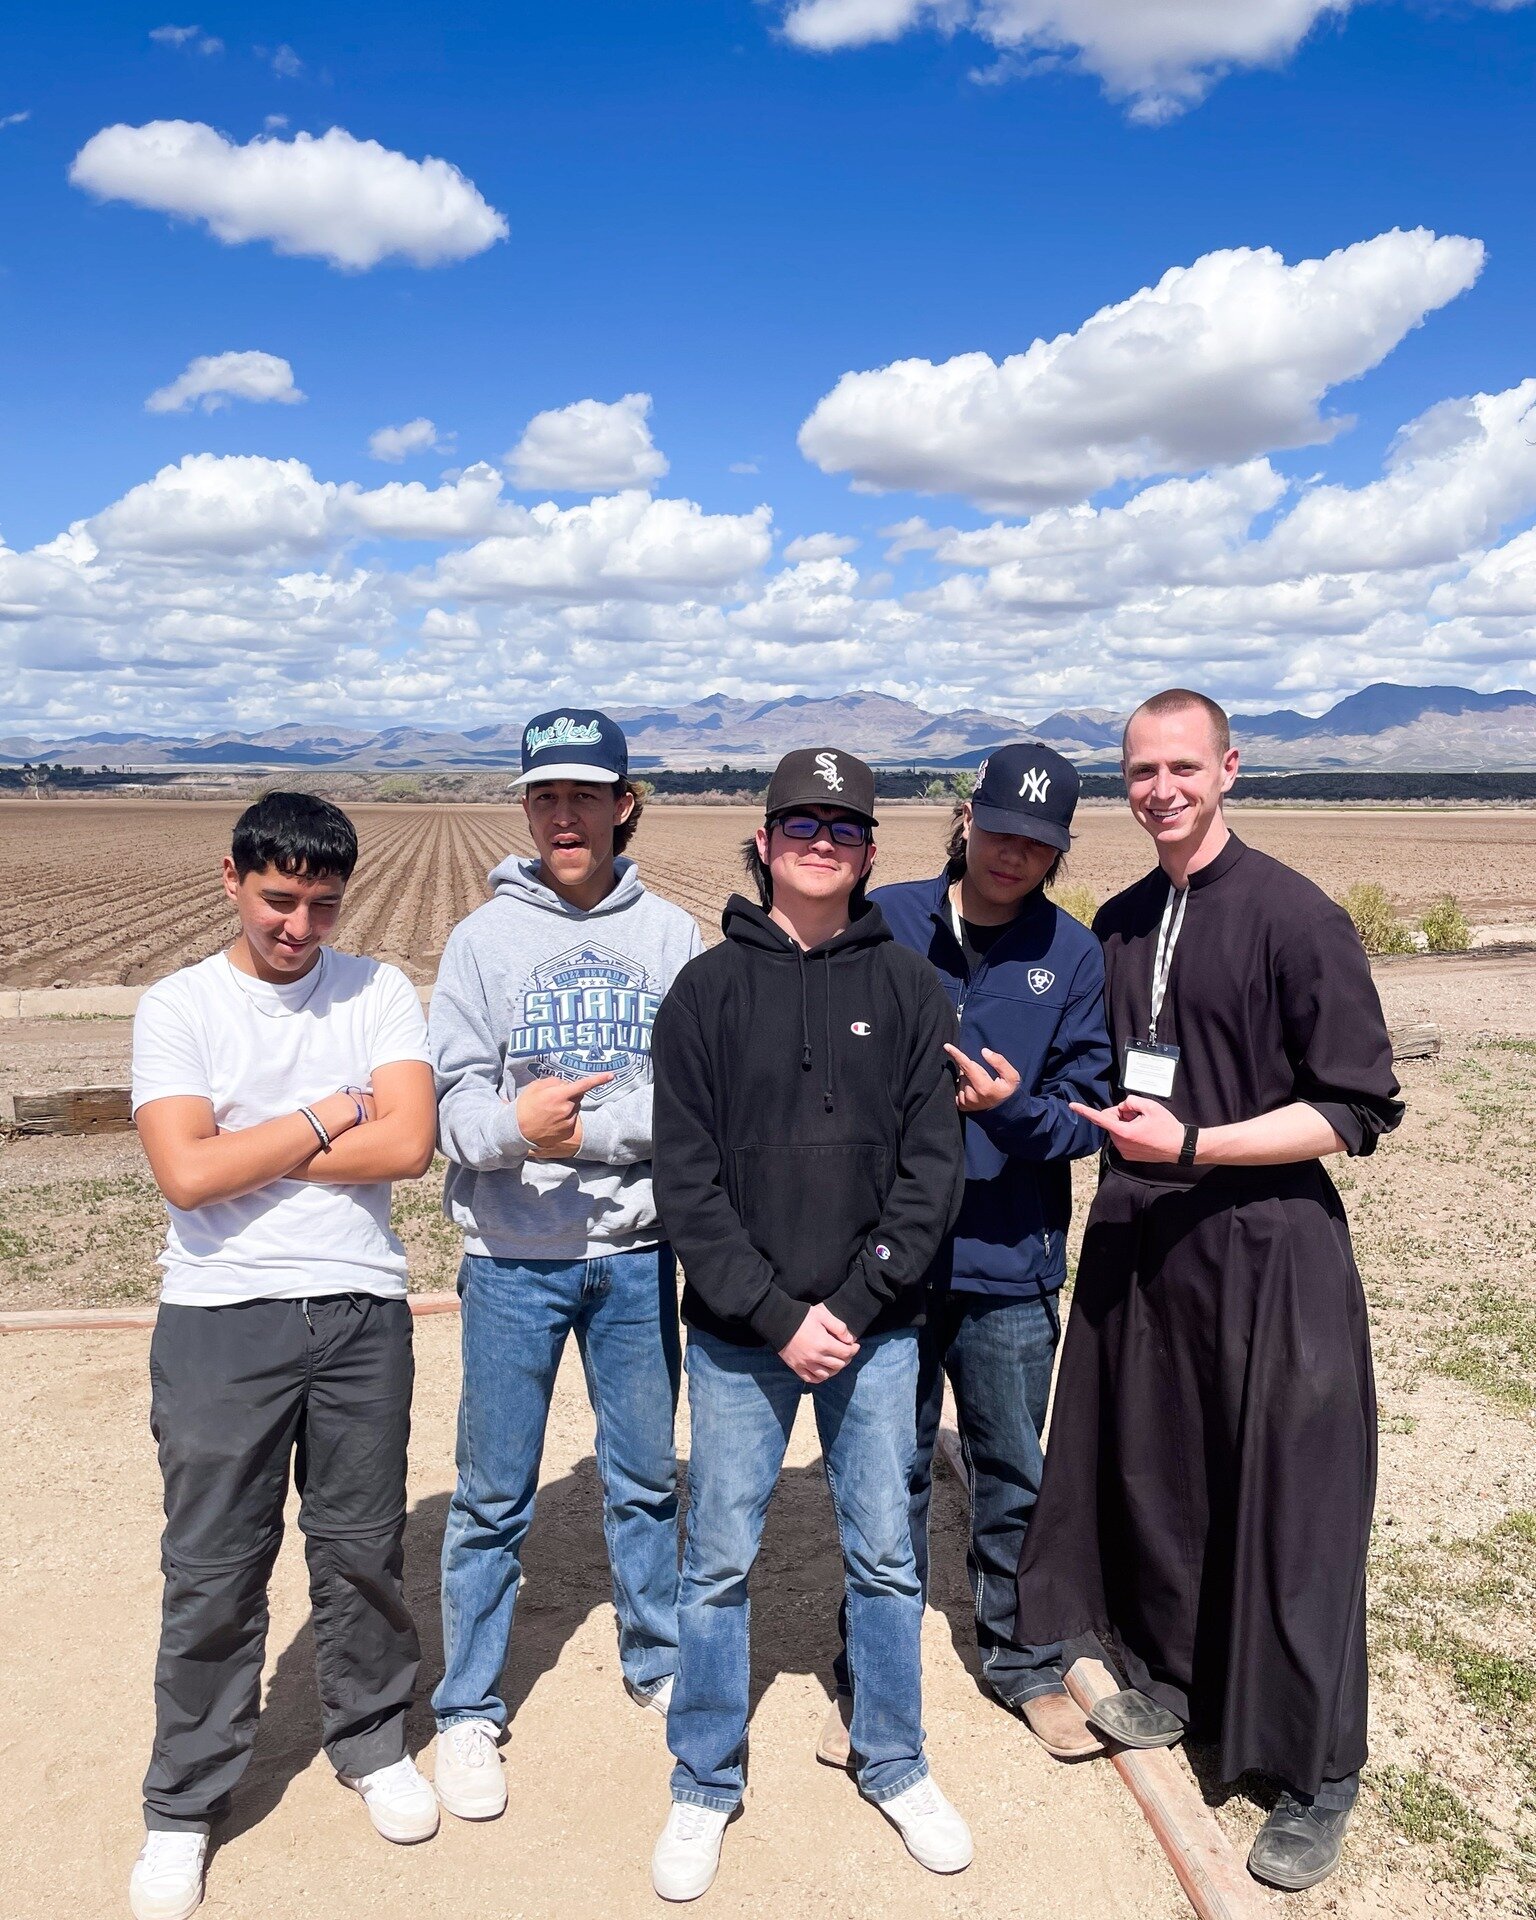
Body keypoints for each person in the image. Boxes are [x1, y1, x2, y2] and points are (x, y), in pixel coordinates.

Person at [1013, 689, 1404, 1893]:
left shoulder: (1298, 919)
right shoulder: (1124, 921)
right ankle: (1176, 1679)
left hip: (1270, 1248)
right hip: (1151, 1246)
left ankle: (1314, 1773)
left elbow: (1354, 1109)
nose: (1163, 788)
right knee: (1161, 1475)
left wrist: (1196, 1147)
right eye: (1142, 771)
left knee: (1293, 1512)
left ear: (1229, 768)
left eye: (1184, 766)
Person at [648, 748, 969, 1903]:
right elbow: (685, 1185)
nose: (821, 840)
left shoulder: (908, 988)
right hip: (744, 1340)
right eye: (801, 822)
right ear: (765, 837)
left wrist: (856, 1301)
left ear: (873, 851)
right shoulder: (704, 993)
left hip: (874, 1335)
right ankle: (703, 1779)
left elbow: (933, 1170)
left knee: (886, 1559)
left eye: (844, 825)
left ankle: (895, 1760)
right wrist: (782, 1315)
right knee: (717, 1563)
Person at [127, 792, 440, 1920]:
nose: (297, 927)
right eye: (276, 900)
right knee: (213, 1566)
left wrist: (241, 1141)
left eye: (319, 904)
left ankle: (368, 1741)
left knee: (362, 1549)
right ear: (230, 880)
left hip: (360, 1312)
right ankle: (184, 1804)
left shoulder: (381, 991)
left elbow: (405, 1143)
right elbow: (185, 1176)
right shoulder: (178, 1006)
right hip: (221, 1317)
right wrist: (322, 1119)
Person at [428, 708, 702, 1821]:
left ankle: (660, 1659)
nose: (564, 814)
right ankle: (466, 1710)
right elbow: (452, 1101)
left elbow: (688, 1101)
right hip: (509, 1258)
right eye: (546, 796)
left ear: (624, 804)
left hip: (635, 1256)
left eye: (586, 795)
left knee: (645, 1478)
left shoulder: (673, 938)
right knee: (492, 1495)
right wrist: (513, 1128)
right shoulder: (479, 943)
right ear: (527, 806)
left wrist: (576, 1134)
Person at [821, 744, 1112, 1769]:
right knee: (881, 1474)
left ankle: (1023, 1661)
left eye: (1039, 843)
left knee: (1010, 1472)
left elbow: (1091, 1119)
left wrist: (1016, 1110)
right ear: (964, 819)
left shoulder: (1072, 957)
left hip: (1007, 1262)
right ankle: (868, 1671)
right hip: (883, 1264)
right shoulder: (885, 918)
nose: (1014, 854)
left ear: (1059, 852)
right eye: (999, 830)